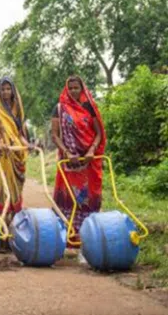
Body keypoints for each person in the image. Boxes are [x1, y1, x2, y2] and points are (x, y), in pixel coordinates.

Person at [50, 75, 106, 260]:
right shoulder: (59, 109)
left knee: (88, 201)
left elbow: (98, 133)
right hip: (69, 163)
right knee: (68, 201)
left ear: (82, 89)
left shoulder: (89, 107)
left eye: (77, 88)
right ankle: (63, 242)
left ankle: (87, 243)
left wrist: (91, 150)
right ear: (66, 89)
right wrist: (66, 152)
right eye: (71, 88)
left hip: (89, 163)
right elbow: (55, 135)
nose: (74, 91)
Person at [0, 77, 31, 254]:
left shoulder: (17, 108)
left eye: (8, 89)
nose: (6, 92)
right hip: (2, 155)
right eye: (3, 89)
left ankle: (13, 236)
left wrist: (27, 145)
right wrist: (0, 143)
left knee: (15, 195)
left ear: (12, 90)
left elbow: (20, 134)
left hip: (16, 155)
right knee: (1, 194)